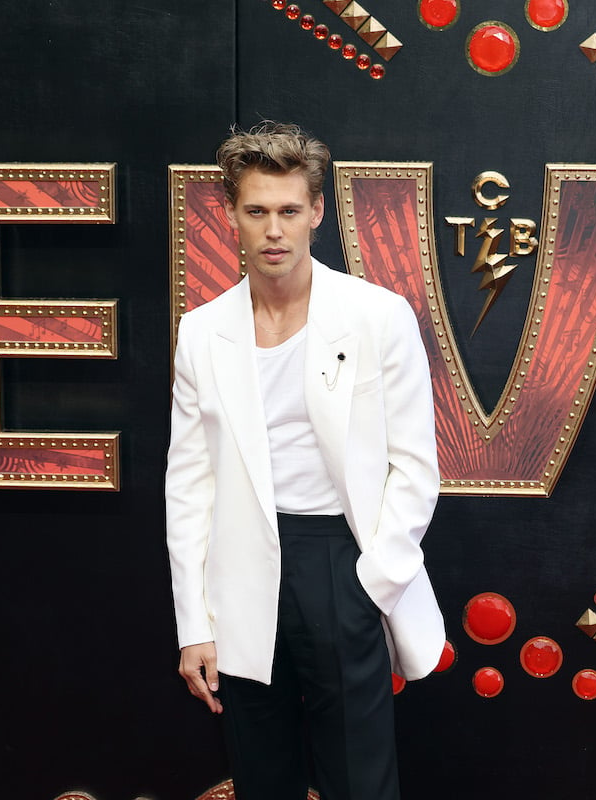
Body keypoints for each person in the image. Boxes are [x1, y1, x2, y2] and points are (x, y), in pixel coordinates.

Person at [165, 121, 445, 800]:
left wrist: (369, 584)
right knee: (261, 778)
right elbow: (189, 483)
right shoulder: (203, 331)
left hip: (338, 560)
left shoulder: (379, 316)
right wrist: (194, 624)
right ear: (231, 214)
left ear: (317, 212)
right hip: (241, 571)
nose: (274, 232)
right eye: (256, 211)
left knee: (360, 781)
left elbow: (415, 468)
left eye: (289, 211)